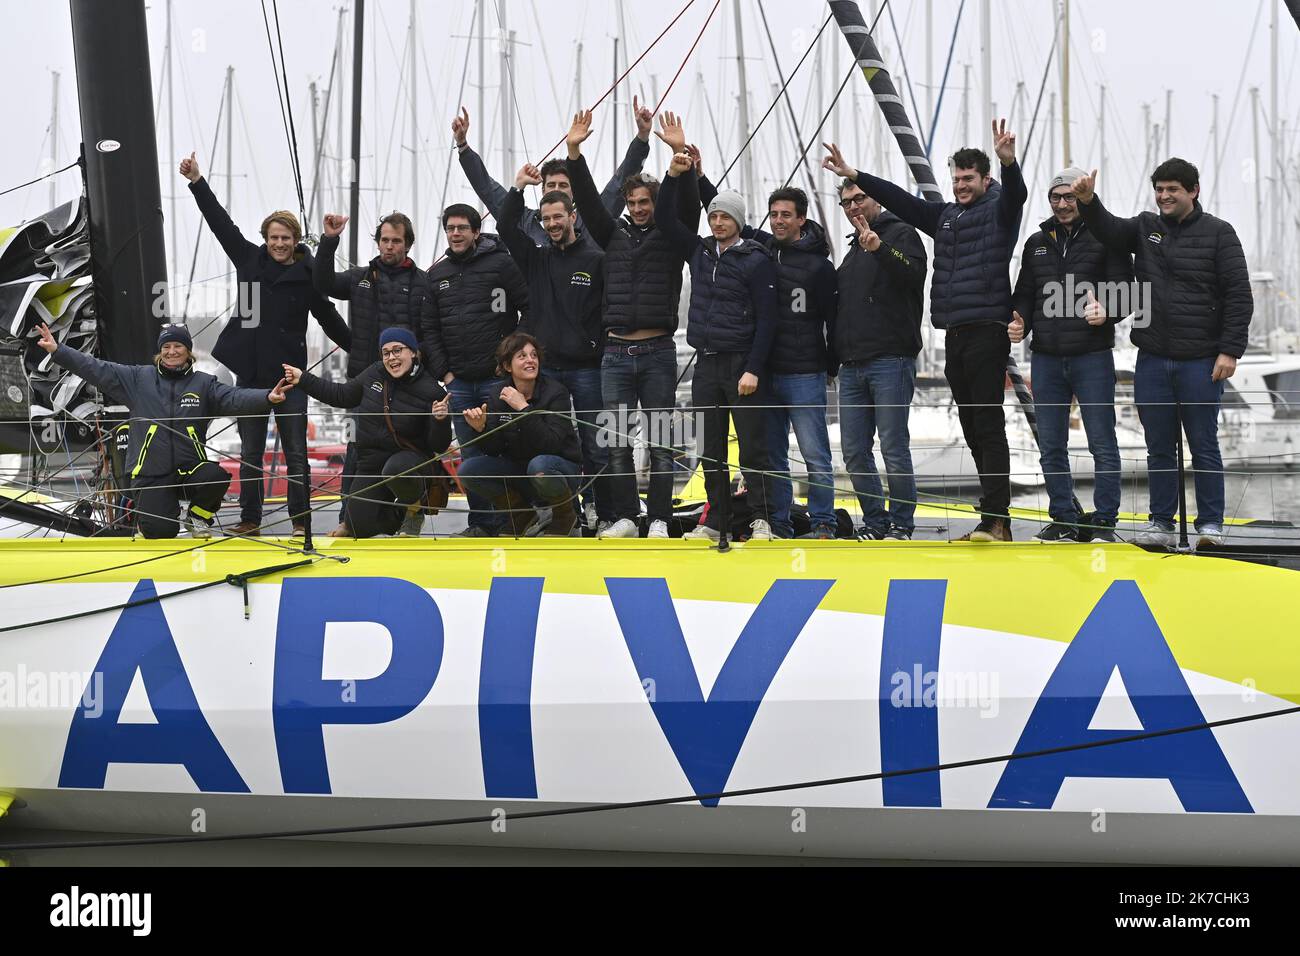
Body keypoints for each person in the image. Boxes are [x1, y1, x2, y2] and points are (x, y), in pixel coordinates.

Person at [824, 120, 1028, 542]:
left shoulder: (999, 211)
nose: (960, 186)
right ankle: (991, 516)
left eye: (968, 179)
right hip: (953, 332)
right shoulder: (946, 217)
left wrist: (1009, 163)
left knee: (987, 423)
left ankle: (999, 519)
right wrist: (855, 175)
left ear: (984, 179)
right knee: (971, 424)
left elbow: (1017, 197)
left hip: (987, 328)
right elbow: (900, 200)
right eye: (955, 179)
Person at [1072, 159, 1253, 547]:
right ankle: (1161, 524)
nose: (1164, 196)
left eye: (1172, 189)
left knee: (1204, 444)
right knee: (1158, 447)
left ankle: (1210, 527)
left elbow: (1239, 295)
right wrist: (1088, 201)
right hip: (1152, 357)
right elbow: (1108, 228)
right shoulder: (1144, 227)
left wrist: (1230, 351)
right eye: (1159, 189)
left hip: (1202, 360)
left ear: (1193, 191)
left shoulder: (1220, 233)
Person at [178, 152, 350, 537]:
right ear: (265, 239)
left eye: (285, 238)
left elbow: (328, 317)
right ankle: (249, 520)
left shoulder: (307, 275)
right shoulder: (249, 261)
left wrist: (360, 348)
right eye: (273, 238)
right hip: (252, 374)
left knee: (296, 455)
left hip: (291, 377)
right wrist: (197, 182)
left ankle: (301, 523)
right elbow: (221, 225)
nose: (279, 244)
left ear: (295, 240)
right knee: (252, 453)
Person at [566, 110, 700, 539]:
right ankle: (626, 516)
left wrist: (679, 158)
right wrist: (574, 152)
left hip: (659, 352)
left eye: (646, 202)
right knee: (616, 444)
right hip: (616, 355)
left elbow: (687, 209)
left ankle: (659, 519)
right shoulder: (611, 235)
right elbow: (586, 201)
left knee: (661, 444)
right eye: (633, 203)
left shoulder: (673, 237)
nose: (639, 209)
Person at [36, 322, 292, 538]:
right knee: (161, 532)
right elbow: (95, 369)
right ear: (160, 352)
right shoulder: (138, 379)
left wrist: (267, 397)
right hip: (150, 473)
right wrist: (58, 351)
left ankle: (197, 517)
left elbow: (235, 397)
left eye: (178, 346)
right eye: (166, 347)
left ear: (188, 351)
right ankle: (148, 518)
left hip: (187, 469)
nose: (172, 352)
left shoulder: (204, 384)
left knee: (215, 477)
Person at [695, 180, 839, 540]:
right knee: (770, 456)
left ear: (801, 220)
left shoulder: (820, 267)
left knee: (814, 455)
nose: (778, 221)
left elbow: (834, 320)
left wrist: (832, 366)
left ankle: (823, 522)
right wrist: (698, 178)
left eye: (786, 215)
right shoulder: (762, 248)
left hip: (804, 371)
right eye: (774, 214)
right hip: (764, 372)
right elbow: (727, 214)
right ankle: (779, 522)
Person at [655, 150, 778, 541]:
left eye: (725, 216)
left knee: (753, 449)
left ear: (738, 221)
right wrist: (675, 175)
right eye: (714, 216)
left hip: (742, 364)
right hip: (706, 364)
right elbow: (663, 219)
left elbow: (768, 320)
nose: (718, 221)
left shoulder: (757, 260)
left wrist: (753, 369)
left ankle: (761, 519)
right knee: (710, 451)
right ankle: (715, 521)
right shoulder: (700, 251)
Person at [1009, 166, 1135, 544]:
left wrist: (1108, 310)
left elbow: (1128, 290)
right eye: (1055, 197)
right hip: (1046, 356)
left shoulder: (1106, 237)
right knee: (1050, 444)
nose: (1062, 204)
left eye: (1069, 197)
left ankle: (1105, 521)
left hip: (1092, 354)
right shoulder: (1036, 242)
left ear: (1081, 198)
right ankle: (1063, 516)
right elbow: (1025, 294)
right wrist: (1019, 323)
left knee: (1102, 442)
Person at [498, 162, 611, 533]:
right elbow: (504, 227)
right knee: (552, 441)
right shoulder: (536, 258)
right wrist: (517, 189)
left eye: (558, 217)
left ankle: (598, 509)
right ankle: (561, 509)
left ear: (572, 217)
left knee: (596, 443)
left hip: (587, 368)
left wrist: (596, 344)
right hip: (549, 371)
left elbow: (606, 312)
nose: (552, 224)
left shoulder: (596, 260)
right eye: (546, 219)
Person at [313, 209, 434, 536]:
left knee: (409, 449)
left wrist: (436, 375)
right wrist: (329, 241)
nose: (390, 246)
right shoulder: (360, 278)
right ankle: (346, 520)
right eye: (384, 240)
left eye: (396, 241)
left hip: (409, 385)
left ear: (407, 244)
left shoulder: (424, 282)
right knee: (355, 453)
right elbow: (322, 281)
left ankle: (413, 508)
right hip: (365, 383)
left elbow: (431, 333)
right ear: (378, 242)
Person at [421, 202, 529, 537]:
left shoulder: (501, 264)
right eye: (450, 228)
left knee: (507, 448)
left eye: (462, 228)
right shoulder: (436, 275)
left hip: (497, 381)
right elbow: (429, 330)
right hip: (460, 382)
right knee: (470, 455)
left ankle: (515, 520)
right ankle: (481, 524)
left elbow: (528, 307)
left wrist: (511, 362)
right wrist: (445, 373)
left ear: (475, 231)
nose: (456, 233)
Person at [282, 327, 451, 539]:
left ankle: (414, 510)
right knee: (357, 524)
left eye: (398, 350)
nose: (392, 357)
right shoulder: (374, 373)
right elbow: (341, 395)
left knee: (395, 469)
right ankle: (398, 513)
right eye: (386, 352)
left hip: (409, 461)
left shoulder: (432, 391)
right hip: (371, 461)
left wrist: (441, 420)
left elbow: (438, 446)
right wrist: (303, 379)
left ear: (413, 353)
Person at [834, 179, 928, 540]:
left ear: (876, 200)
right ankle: (875, 521)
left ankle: (902, 525)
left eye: (860, 198)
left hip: (891, 360)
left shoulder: (901, 233)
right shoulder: (850, 252)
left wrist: (880, 249)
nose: (854, 206)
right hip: (852, 366)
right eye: (846, 202)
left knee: (893, 447)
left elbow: (913, 275)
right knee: (854, 452)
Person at [450, 99, 654, 246]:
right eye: (551, 185)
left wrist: (642, 136)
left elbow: (621, 181)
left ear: (575, 191)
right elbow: (487, 188)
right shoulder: (523, 220)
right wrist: (462, 146)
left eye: (564, 185)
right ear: (542, 191)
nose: (557, 190)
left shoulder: (594, 217)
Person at [457, 333, 584, 536]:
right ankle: (522, 514)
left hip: (559, 468)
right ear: (508, 366)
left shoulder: (556, 392)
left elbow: (551, 444)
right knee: (468, 470)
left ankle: (565, 516)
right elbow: (494, 449)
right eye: (522, 356)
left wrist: (523, 409)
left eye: (534, 355)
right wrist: (480, 429)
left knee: (540, 466)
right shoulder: (499, 393)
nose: (530, 360)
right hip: (520, 469)